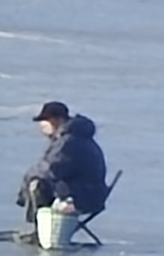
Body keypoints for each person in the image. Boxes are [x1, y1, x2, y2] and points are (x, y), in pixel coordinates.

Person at [16, 101, 111, 237]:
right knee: (41, 180)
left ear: (56, 120)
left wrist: (25, 185)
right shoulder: (76, 137)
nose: (41, 125)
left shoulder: (68, 142)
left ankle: (41, 233)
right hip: (92, 193)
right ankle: (41, 230)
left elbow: (50, 169)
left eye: (44, 120)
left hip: (82, 196)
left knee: (37, 184)